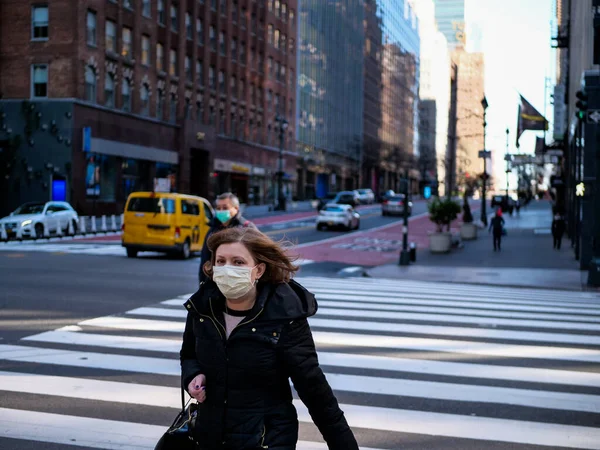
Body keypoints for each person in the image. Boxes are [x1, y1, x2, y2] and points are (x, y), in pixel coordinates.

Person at [180, 227, 359, 450]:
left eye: (238, 262)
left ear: (259, 270)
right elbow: (188, 355)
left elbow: (314, 389)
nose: (227, 269)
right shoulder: (202, 309)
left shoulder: (284, 316)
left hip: (267, 440)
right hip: (210, 436)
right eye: (221, 261)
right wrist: (192, 376)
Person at [198, 192, 255, 284]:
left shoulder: (247, 228)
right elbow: (205, 259)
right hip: (215, 283)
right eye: (218, 208)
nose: (221, 211)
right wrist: (203, 284)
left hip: (240, 282)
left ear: (236, 208)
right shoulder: (212, 230)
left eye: (225, 208)